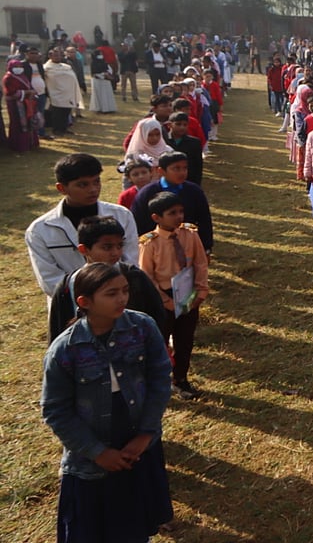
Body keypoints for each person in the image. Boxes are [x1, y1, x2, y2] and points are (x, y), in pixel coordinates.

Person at [41, 262, 174, 542]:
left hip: (138, 444)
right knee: (95, 530)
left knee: (136, 524)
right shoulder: (65, 349)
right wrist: (98, 452)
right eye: (111, 293)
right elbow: (55, 409)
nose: (122, 299)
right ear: (84, 302)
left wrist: (146, 433)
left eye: (125, 290)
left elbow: (160, 378)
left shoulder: (142, 327)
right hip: (91, 456)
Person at [28, 153, 140, 301]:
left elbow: (130, 262)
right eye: (83, 184)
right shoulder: (40, 230)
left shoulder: (122, 215)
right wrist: (90, 295)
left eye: (96, 182)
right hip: (69, 306)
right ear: (61, 188)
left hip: (119, 302)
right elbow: (49, 281)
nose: (93, 189)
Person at [47, 215, 166, 343]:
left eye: (120, 246)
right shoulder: (69, 285)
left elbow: (157, 317)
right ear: (84, 249)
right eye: (107, 247)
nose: (115, 252)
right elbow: (58, 330)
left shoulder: (134, 277)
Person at [138, 191, 210, 399]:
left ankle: (181, 379)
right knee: (159, 341)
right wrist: (165, 300)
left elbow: (200, 263)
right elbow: (147, 276)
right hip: (163, 296)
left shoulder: (190, 234)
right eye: (172, 213)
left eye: (181, 211)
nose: (179, 217)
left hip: (188, 293)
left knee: (185, 339)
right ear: (156, 218)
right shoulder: (149, 243)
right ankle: (158, 380)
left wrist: (200, 291)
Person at [130, 151, 214, 254]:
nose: (182, 172)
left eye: (185, 168)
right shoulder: (147, 193)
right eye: (176, 168)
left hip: (187, 245)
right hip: (156, 249)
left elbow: (204, 220)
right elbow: (137, 223)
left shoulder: (194, 191)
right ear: (161, 171)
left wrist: (206, 248)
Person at [5, 55, 41, 153]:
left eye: (20, 67)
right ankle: (19, 145)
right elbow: (11, 92)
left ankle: (30, 143)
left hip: (27, 103)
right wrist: (27, 92)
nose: (19, 69)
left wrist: (33, 92)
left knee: (29, 122)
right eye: (16, 67)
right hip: (15, 104)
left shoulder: (23, 76)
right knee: (19, 124)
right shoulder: (8, 78)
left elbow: (30, 86)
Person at [165, 112, 204, 185]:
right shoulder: (163, 141)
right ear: (169, 125)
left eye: (185, 125)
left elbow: (198, 166)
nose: (182, 127)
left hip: (188, 180)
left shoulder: (194, 142)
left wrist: (197, 184)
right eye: (178, 124)